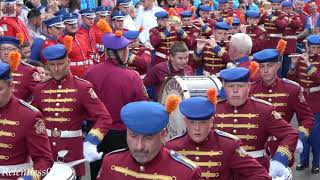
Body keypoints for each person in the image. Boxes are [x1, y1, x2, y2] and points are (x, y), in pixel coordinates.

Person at [31, 44, 114, 177]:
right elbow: (31, 118)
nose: (56, 69)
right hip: (45, 152)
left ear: (68, 62)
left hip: (71, 152)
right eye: (52, 65)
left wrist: (92, 140)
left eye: (60, 64)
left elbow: (104, 117)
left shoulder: (82, 87)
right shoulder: (40, 88)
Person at [83, 29, 149, 179]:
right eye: (126, 49)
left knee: (96, 172)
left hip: (95, 133)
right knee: (121, 172)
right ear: (120, 52)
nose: (128, 53)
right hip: (121, 134)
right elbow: (142, 105)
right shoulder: (132, 76)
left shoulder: (90, 72)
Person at [165, 89, 271, 179]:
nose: (197, 128)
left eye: (203, 122)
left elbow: (261, 175)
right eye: (192, 122)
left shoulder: (228, 145)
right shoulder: (172, 147)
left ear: (211, 122)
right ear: (185, 122)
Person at [213, 67, 299, 179]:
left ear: (249, 87)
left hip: (256, 171)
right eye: (230, 86)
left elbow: (290, 133)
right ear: (224, 88)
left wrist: (279, 160)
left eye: (240, 86)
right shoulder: (214, 110)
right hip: (223, 172)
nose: (235, 91)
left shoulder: (263, 110)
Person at [97, 99, 202, 179]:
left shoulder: (186, 173)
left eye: (148, 137)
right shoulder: (110, 162)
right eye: (133, 136)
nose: (139, 146)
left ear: (163, 135)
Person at [250, 48, 315, 162]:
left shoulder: (292, 89)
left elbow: (307, 118)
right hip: (255, 149)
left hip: (282, 147)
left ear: (278, 65)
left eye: (269, 65)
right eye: (262, 66)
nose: (265, 70)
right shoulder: (250, 90)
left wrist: (299, 137)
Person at [0, 61, 53, 179]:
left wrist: (28, 178)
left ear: (11, 87)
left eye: (0, 89)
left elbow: (44, 160)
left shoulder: (29, 115)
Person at [287, 34, 320, 174]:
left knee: (315, 135)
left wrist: (308, 64)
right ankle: (304, 161)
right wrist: (293, 65)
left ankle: (316, 163)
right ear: (307, 46)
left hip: (316, 99)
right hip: (302, 100)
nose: (315, 50)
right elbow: (291, 78)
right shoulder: (300, 58)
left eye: (318, 48)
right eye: (312, 47)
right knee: (303, 133)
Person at [0, 36, 38, 102]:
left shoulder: (28, 70)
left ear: (17, 51)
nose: (6, 52)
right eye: (3, 49)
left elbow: (37, 95)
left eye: (10, 49)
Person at [58, 13, 93, 77]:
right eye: (70, 24)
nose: (73, 26)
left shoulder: (81, 37)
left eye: (75, 23)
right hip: (73, 74)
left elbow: (88, 53)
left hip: (88, 72)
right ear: (64, 25)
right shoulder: (61, 40)